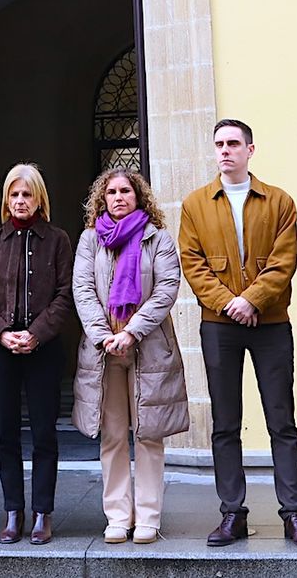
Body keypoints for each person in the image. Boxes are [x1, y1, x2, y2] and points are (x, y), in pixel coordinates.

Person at [177, 119, 297, 548]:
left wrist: (251, 301)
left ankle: (294, 514)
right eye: (219, 144)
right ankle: (231, 514)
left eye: (233, 143)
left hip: (270, 323)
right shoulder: (195, 204)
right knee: (225, 422)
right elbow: (192, 263)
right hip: (219, 326)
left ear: (250, 150)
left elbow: (284, 259)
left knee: (282, 420)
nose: (225, 150)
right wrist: (228, 304)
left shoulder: (279, 201)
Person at [73, 167, 189, 545]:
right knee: (113, 435)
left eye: (126, 191)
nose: (119, 197)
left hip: (148, 349)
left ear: (139, 197)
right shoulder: (91, 239)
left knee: (150, 435)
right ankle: (118, 517)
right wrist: (104, 335)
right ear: (102, 199)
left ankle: (149, 518)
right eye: (112, 192)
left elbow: (167, 289)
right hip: (104, 351)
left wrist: (131, 331)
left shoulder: (158, 239)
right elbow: (83, 289)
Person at [0, 163, 75, 545]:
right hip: (0, 350)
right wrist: (2, 334)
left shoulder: (57, 240)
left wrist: (36, 333)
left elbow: (66, 294)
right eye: (14, 194)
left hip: (43, 349)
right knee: (5, 433)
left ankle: (42, 513)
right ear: (5, 200)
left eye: (26, 194)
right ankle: (13, 511)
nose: (20, 201)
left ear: (39, 199)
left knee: (45, 432)